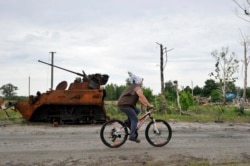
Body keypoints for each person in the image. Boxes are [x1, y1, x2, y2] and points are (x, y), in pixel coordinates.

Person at [117, 72, 154, 143]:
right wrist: (149, 104)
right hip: (125, 105)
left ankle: (128, 122)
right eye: (141, 82)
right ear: (138, 82)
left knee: (137, 111)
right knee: (135, 119)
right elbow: (142, 96)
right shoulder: (137, 87)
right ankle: (132, 136)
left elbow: (140, 99)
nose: (142, 83)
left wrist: (146, 105)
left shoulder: (134, 87)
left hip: (126, 105)